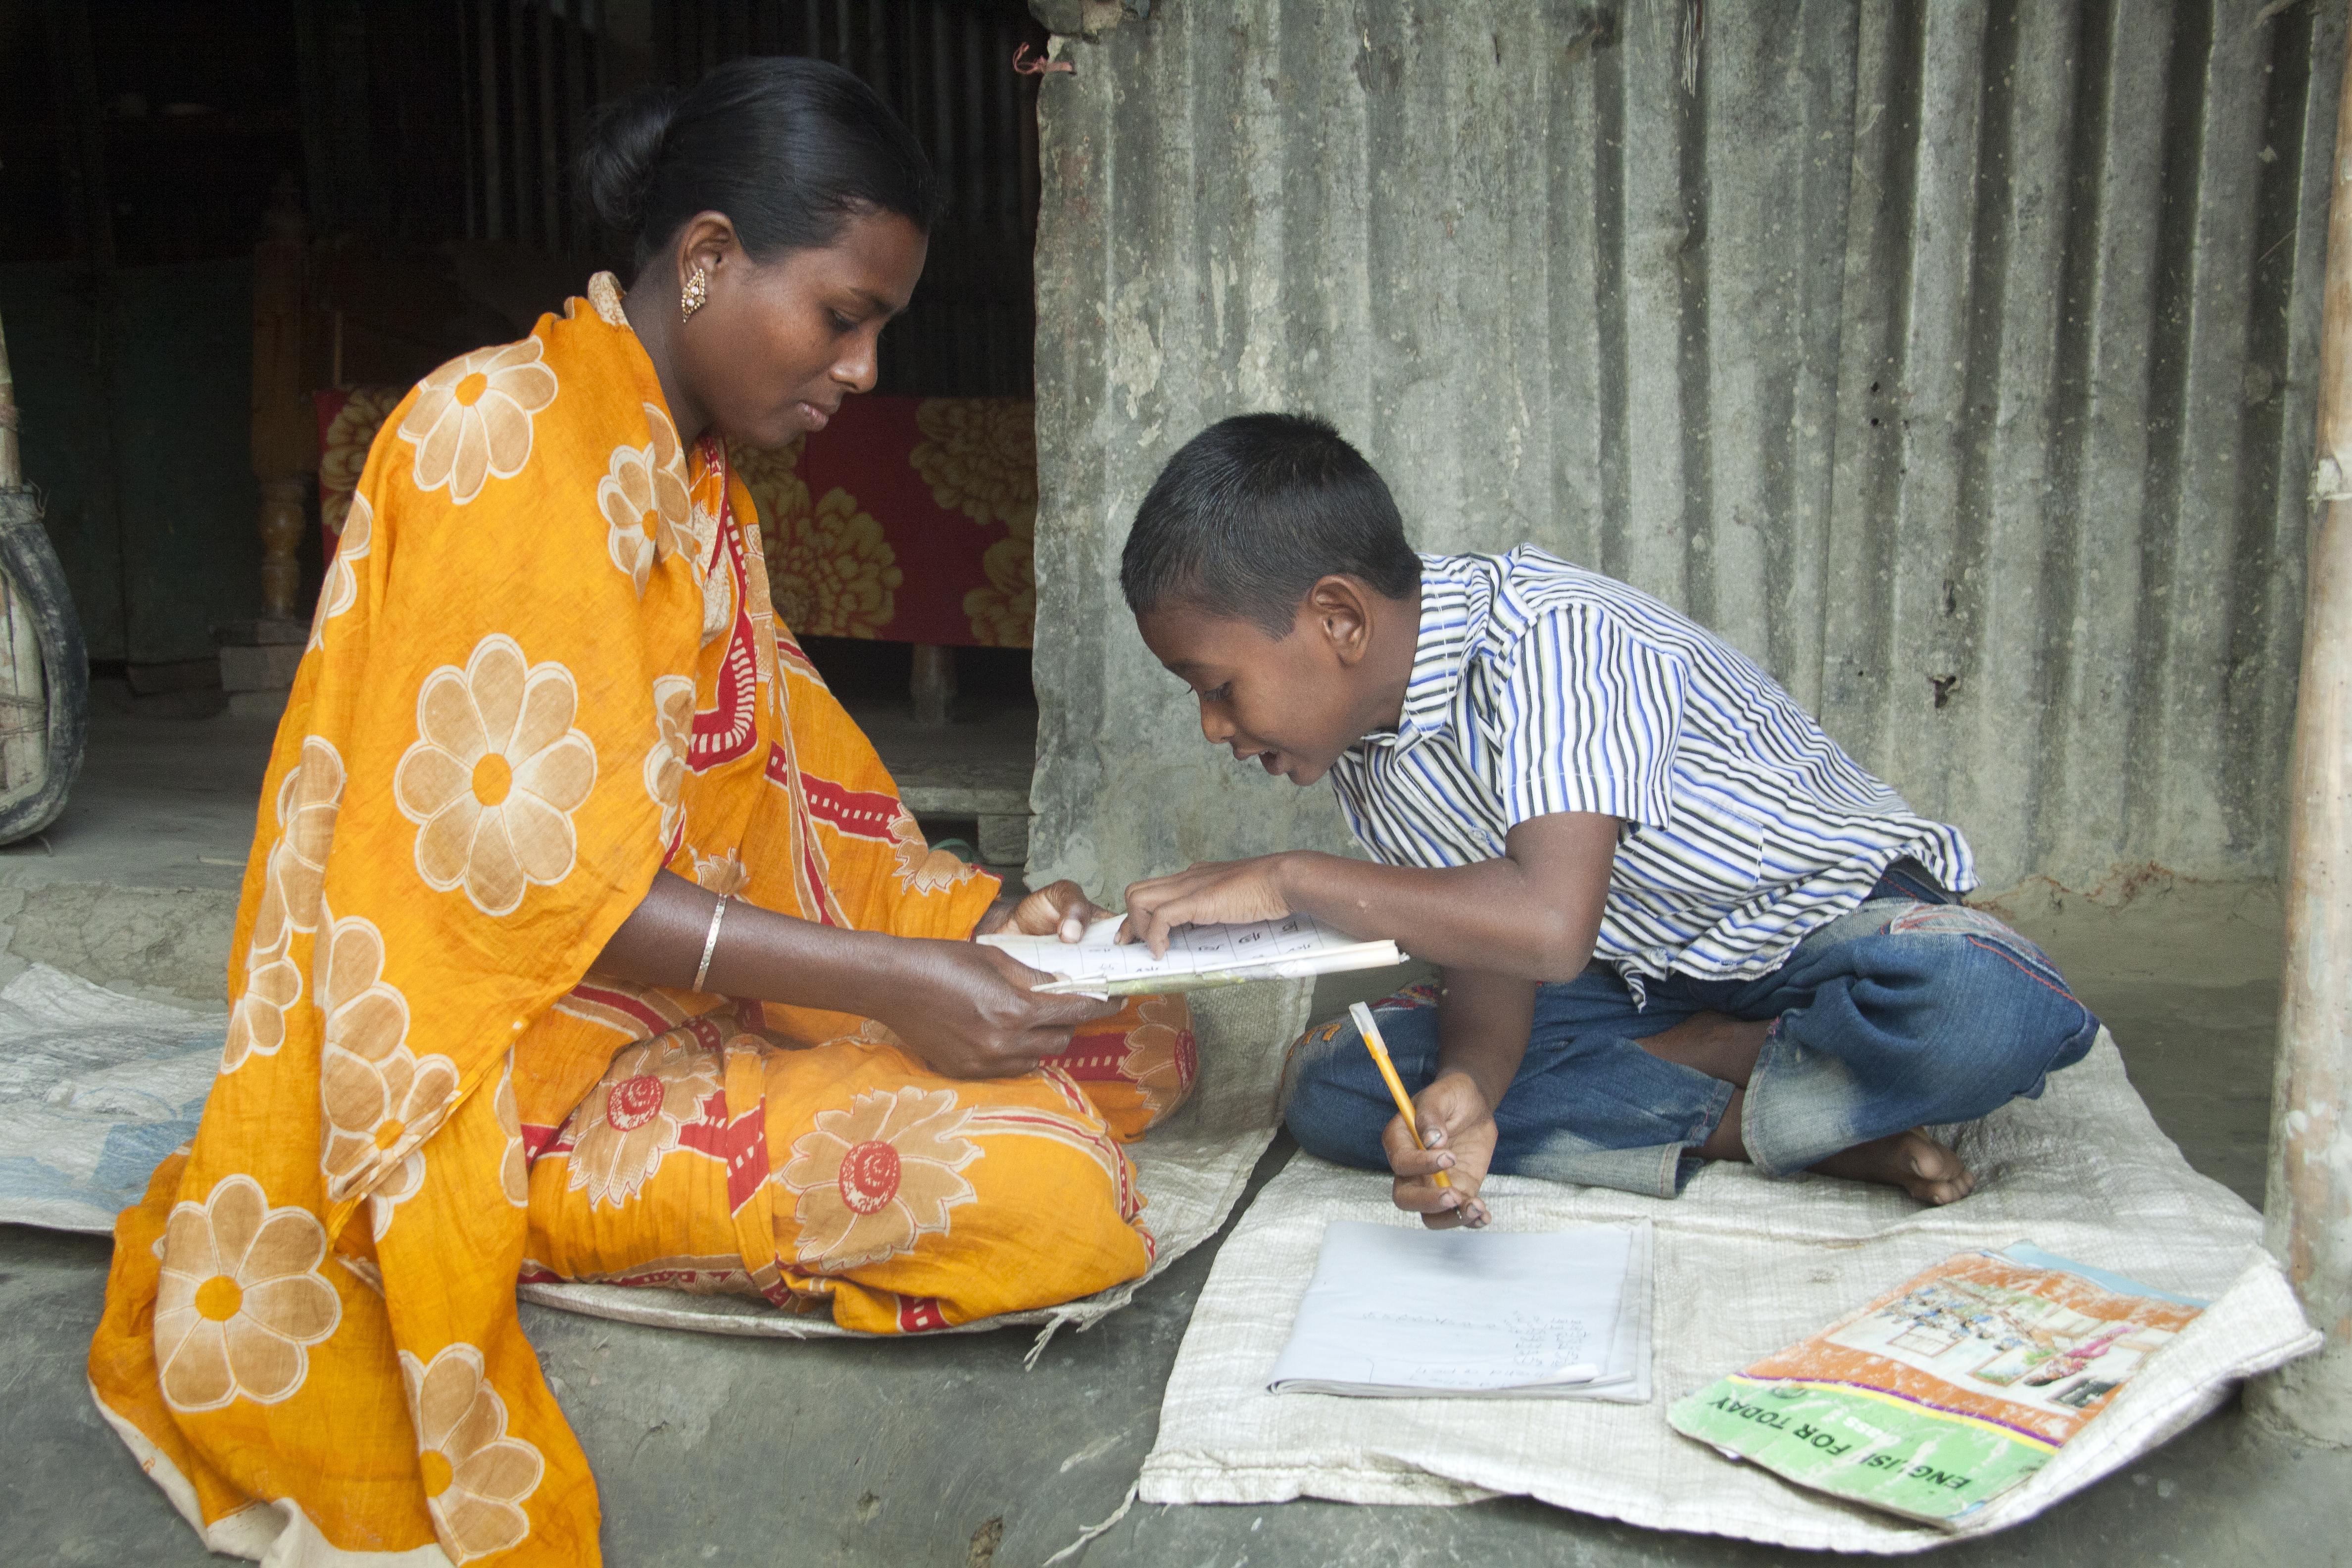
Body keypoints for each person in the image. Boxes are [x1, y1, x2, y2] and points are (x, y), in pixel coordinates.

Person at [88, 59, 1189, 1567]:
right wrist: (894, 987)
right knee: (1057, 1189)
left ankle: (827, 1080)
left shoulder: (694, 483)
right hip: (498, 1079)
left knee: (1135, 1038)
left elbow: (793, 781)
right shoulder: (499, 436)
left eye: (881, 329)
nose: (863, 370)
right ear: (712, 257)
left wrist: (985, 926)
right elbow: (532, 892)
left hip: (668, 1004)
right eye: (844, 315)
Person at [1114, 412, 2098, 1230]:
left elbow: (1547, 922)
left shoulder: (1554, 638)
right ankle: (1795, 1121)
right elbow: (1498, 955)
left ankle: (1712, 1075)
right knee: (1339, 1088)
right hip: (1638, 982)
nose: (1213, 727)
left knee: (1977, 1009)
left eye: (1216, 686)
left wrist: (1293, 880)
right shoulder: (1373, 746)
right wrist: (1472, 1088)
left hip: (1827, 941)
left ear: (1337, 619)